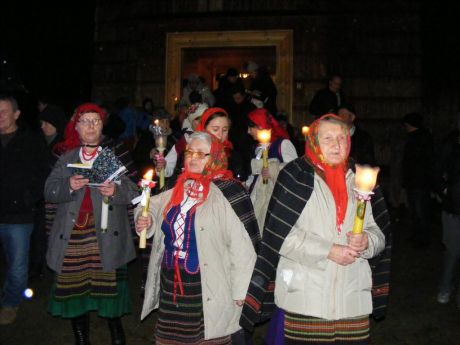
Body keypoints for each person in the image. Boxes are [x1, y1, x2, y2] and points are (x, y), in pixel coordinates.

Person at [241, 114, 389, 344]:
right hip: (306, 299)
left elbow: (379, 232)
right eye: (327, 138)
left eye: (341, 137)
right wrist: (328, 250)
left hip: (352, 300)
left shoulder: (362, 179)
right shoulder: (295, 176)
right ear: (314, 142)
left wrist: (368, 241)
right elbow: (281, 236)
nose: (336, 144)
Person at [135, 131, 257, 344]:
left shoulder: (225, 193)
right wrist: (145, 219)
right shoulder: (178, 187)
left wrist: (241, 290)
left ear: (215, 158)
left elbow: (241, 246)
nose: (193, 157)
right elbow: (149, 204)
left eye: (202, 154)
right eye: (190, 152)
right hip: (171, 281)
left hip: (207, 284)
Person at [44, 103, 139, 345]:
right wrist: (68, 186)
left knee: (110, 291)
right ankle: (81, 339)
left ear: (101, 127)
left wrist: (115, 190)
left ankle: (117, 336)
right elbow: (49, 191)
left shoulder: (109, 157)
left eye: (95, 121)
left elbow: (132, 191)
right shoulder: (66, 158)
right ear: (76, 127)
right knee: (75, 293)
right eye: (85, 121)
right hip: (73, 235)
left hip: (106, 235)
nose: (90, 126)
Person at [0, 95, 51, 325]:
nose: (0, 116)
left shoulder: (30, 140)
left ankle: (10, 303)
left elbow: (43, 173)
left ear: (16, 114)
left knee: (18, 267)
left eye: (4, 111)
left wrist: (29, 198)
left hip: (19, 216)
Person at [246, 108, 298, 231]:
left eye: (250, 127)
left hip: (274, 199)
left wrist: (274, 170)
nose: (248, 131)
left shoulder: (282, 145)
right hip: (257, 197)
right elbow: (255, 174)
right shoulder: (258, 148)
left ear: (260, 126)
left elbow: (294, 171)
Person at [435, 115, 460, 306]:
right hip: (454, 208)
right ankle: (445, 289)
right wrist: (445, 190)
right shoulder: (451, 145)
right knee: (452, 251)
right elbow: (436, 171)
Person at [401, 112, 434, 247]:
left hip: (419, 181)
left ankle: (422, 239)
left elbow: (414, 162)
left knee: (420, 211)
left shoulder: (419, 139)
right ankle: (417, 236)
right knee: (415, 210)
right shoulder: (419, 138)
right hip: (416, 181)